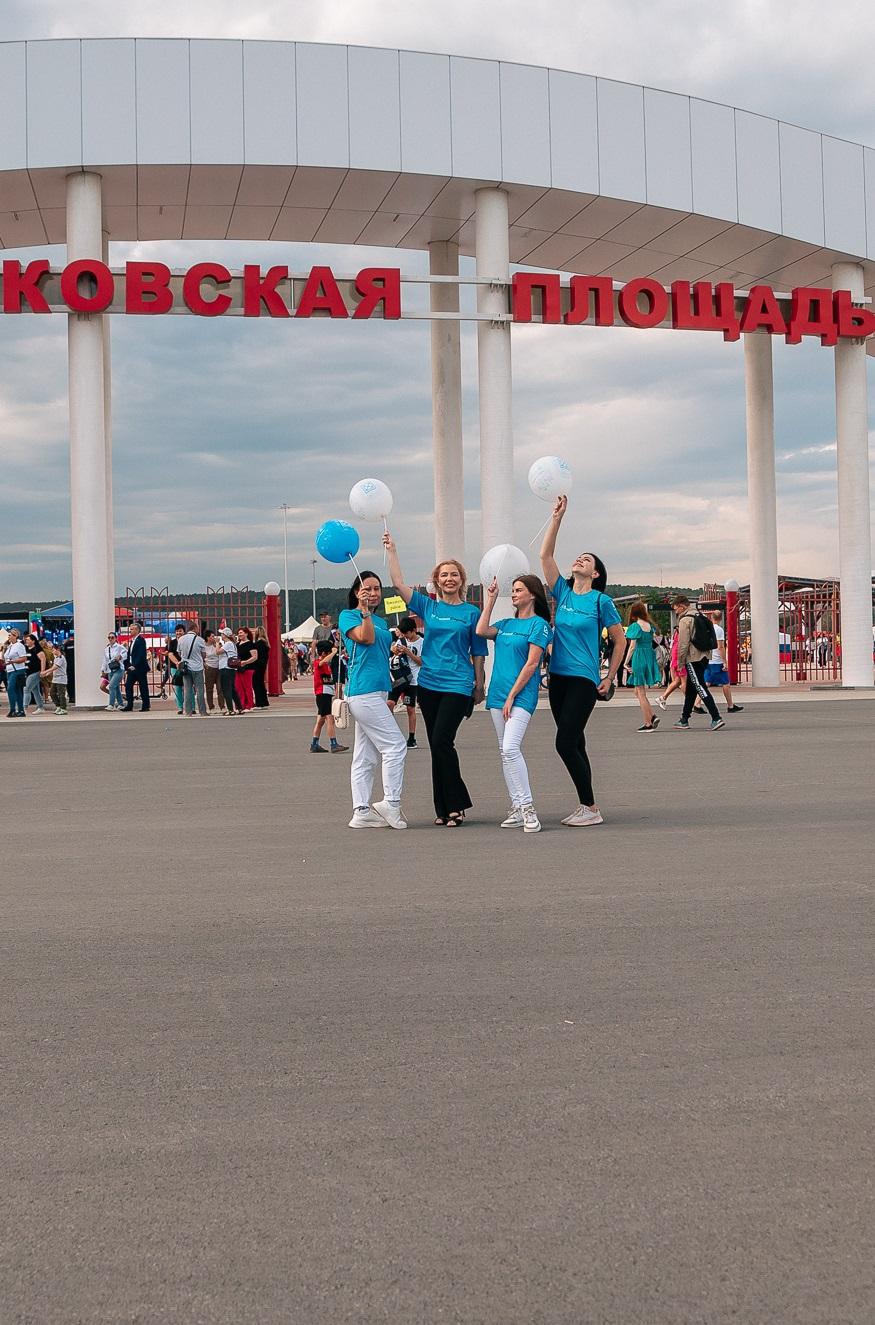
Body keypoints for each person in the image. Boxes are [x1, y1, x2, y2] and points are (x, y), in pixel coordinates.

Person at [383, 532, 487, 827]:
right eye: (444, 575)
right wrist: (393, 551)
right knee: (436, 744)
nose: (450, 579)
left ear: (461, 580)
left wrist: (479, 685)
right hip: (428, 684)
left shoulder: (471, 612)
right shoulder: (429, 607)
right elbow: (399, 585)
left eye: (455, 574)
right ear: (437, 581)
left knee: (443, 740)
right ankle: (443, 808)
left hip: (457, 683)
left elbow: (478, 651)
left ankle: (457, 804)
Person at [540, 495, 626, 826]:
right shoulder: (561, 592)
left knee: (564, 742)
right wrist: (557, 518)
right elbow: (545, 555)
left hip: (584, 680)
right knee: (576, 741)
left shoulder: (600, 601)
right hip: (558, 679)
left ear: (595, 571)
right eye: (578, 557)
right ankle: (586, 806)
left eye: (586, 559)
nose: (580, 559)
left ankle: (590, 808)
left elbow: (619, 640)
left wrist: (610, 676)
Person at [476, 574, 553, 833]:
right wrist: (491, 599)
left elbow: (532, 663)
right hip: (497, 692)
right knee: (504, 751)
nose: (515, 593)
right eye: (513, 590)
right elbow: (481, 630)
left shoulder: (539, 626)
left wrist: (512, 695)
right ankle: (517, 807)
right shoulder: (506, 623)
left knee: (510, 748)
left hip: (520, 696)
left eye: (519, 589)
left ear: (532, 594)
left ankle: (528, 807)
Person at [338, 570, 408, 829]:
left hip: (377, 691)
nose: (373, 593)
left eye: (377, 588)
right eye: (367, 588)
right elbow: (364, 638)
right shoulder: (349, 616)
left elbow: (380, 650)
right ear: (357, 592)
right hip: (362, 691)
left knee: (365, 755)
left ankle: (361, 811)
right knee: (395, 746)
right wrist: (365, 611)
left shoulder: (380, 621)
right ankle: (391, 802)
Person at [673, 595, 724, 730]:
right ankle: (684, 718)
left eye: (676, 609)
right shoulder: (699, 615)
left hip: (693, 657)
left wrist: (680, 661)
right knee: (691, 689)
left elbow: (683, 643)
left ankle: (716, 717)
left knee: (700, 686)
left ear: (682, 606)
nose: (675, 612)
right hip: (704, 656)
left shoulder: (685, 620)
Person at [387, 616, 423, 749]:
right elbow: (392, 651)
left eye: (407, 633)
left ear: (414, 630)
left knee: (410, 708)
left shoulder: (422, 642)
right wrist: (395, 650)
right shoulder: (401, 640)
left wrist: (408, 652)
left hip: (412, 680)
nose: (406, 637)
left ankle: (412, 737)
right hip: (398, 678)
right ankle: (391, 734)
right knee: (389, 704)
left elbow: (421, 662)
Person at [625, 602, 661, 732]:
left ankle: (648, 723)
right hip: (649, 656)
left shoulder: (635, 626)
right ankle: (652, 716)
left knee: (641, 692)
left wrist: (625, 662)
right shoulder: (649, 626)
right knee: (637, 690)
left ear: (633, 613)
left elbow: (632, 646)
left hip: (639, 657)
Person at [310, 639, 348, 754]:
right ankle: (333, 743)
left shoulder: (326, 665)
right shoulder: (318, 663)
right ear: (323, 653)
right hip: (322, 694)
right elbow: (322, 662)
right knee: (329, 718)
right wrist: (333, 652)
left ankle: (314, 744)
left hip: (326, 694)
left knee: (320, 720)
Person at [705, 611, 744, 714]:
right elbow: (720, 646)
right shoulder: (719, 630)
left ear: (711, 617)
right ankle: (730, 705)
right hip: (717, 659)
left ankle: (697, 703)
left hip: (708, 658)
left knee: (707, 682)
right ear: (721, 618)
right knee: (726, 683)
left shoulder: (707, 629)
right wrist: (724, 661)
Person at [178, 622, 207, 716]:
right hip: (197, 667)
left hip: (185, 668)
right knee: (200, 690)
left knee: (187, 690)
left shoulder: (181, 639)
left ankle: (188, 712)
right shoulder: (200, 640)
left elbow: (179, 653)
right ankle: (202, 711)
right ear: (195, 629)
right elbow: (204, 654)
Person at [123, 622, 150, 711]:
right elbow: (129, 654)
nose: (130, 631)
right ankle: (129, 705)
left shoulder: (141, 640)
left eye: (132, 629)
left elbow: (141, 655)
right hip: (131, 668)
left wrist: (135, 665)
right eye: (130, 629)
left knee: (143, 687)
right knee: (128, 686)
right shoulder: (132, 640)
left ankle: (146, 705)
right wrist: (128, 665)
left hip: (140, 668)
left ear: (137, 630)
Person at [2, 628, 28, 716]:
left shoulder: (19, 645)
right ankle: (20, 710)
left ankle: (13, 709)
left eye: (10, 635)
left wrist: (13, 661)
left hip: (17, 670)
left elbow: (24, 658)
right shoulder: (10, 646)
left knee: (10, 689)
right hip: (9, 670)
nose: (8, 637)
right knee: (17, 690)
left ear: (15, 636)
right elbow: (5, 657)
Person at [216, 627, 241, 715]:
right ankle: (239, 707)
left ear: (225, 635)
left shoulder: (228, 644)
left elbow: (218, 652)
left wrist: (217, 644)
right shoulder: (233, 644)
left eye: (222, 634)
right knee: (232, 689)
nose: (220, 636)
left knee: (226, 689)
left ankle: (230, 709)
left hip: (225, 668)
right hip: (232, 669)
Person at [22, 634, 47, 712]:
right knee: (35, 690)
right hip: (28, 672)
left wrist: (42, 671)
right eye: (26, 640)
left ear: (33, 641)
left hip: (36, 672)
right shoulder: (26, 649)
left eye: (28, 639)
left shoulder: (37, 649)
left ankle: (24, 708)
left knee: (26, 689)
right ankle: (40, 707)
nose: (26, 641)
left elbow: (43, 660)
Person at [103, 631, 127, 710]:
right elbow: (105, 660)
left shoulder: (120, 647)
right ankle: (120, 704)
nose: (110, 639)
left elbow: (126, 654)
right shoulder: (107, 649)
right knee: (116, 687)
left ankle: (111, 704)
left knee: (111, 686)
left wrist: (120, 656)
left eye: (112, 637)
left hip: (119, 669)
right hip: (110, 670)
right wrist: (103, 670)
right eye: (109, 637)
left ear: (116, 638)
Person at [203, 630, 225, 713]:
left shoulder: (217, 645)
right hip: (209, 668)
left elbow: (219, 653)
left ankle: (222, 706)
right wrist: (204, 664)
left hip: (219, 667)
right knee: (209, 689)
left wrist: (217, 644)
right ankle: (211, 707)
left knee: (220, 688)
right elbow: (201, 656)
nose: (214, 637)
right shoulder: (204, 646)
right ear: (208, 637)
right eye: (212, 636)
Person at [235, 628, 257, 710]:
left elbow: (255, 657)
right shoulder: (237, 644)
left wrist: (246, 662)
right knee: (238, 687)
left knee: (247, 687)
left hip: (248, 668)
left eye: (241, 632)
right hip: (238, 668)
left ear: (246, 633)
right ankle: (241, 704)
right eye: (238, 633)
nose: (239, 634)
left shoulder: (250, 644)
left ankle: (249, 704)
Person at [45, 642, 68, 713]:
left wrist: (46, 671)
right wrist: (48, 673)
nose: (52, 651)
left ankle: (63, 708)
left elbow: (55, 667)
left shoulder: (61, 658)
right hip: (55, 678)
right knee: (52, 693)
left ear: (58, 650)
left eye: (53, 650)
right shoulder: (56, 658)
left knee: (61, 694)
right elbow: (53, 668)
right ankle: (58, 706)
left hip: (61, 678)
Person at [166, 626, 185, 714]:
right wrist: (177, 663)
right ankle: (180, 707)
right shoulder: (172, 643)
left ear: (184, 632)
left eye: (180, 631)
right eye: (177, 631)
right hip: (175, 667)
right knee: (178, 688)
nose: (178, 633)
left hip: (186, 666)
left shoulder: (186, 641)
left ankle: (191, 706)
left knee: (189, 688)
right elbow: (170, 654)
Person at [252, 626, 271, 708]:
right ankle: (264, 701)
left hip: (257, 665)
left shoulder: (258, 644)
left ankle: (259, 701)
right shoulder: (266, 643)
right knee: (261, 683)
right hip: (263, 665)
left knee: (256, 683)